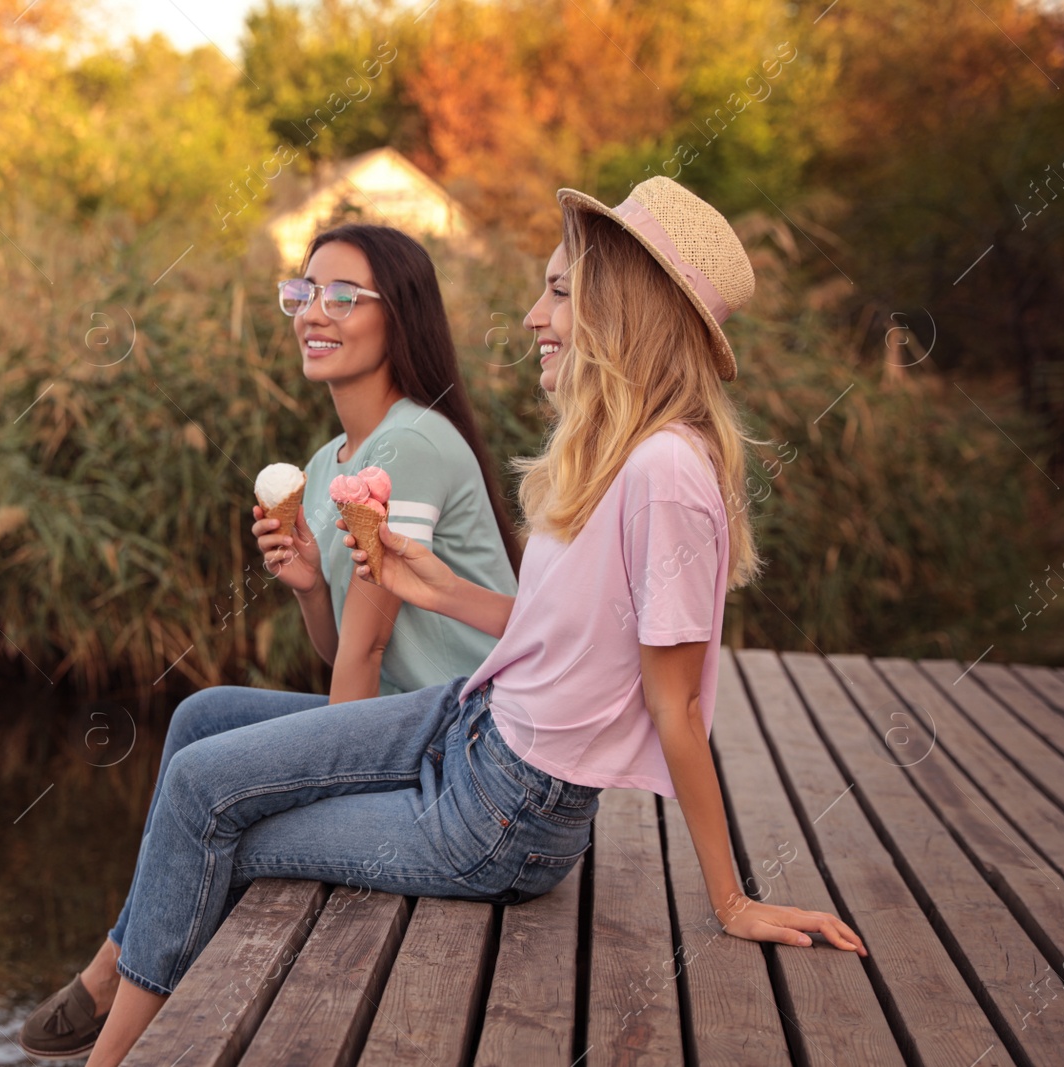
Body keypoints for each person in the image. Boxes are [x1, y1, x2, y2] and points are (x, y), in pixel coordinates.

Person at [73, 175, 870, 1067]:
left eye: (560, 291)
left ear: (627, 310)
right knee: (203, 721)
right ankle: (111, 1002)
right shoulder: (616, 455)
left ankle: (108, 1052)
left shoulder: (668, 474)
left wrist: (732, 900)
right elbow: (554, 630)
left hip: (501, 814)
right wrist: (437, 586)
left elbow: (677, 705)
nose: (533, 315)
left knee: (210, 807)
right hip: (465, 723)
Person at [17, 223, 519, 1059]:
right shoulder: (331, 462)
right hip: (407, 713)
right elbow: (343, 649)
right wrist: (313, 586)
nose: (312, 313)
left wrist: (310, 778)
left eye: (342, 297)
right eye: (302, 292)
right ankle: (113, 961)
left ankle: (118, 1042)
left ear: (403, 317)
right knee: (203, 716)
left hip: (462, 738)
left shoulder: (412, 445)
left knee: (204, 785)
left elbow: (360, 663)